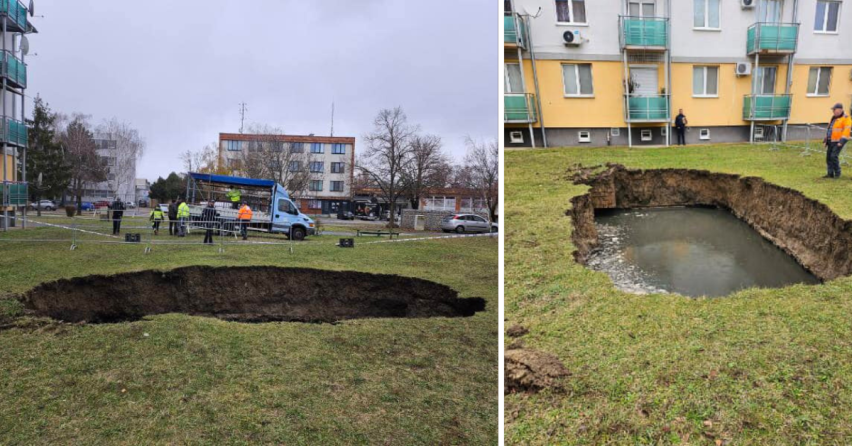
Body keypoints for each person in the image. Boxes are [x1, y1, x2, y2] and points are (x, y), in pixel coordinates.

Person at [824, 103, 852, 179]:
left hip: (839, 141)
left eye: (834, 109)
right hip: (831, 140)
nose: (833, 111)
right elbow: (830, 129)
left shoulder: (846, 118)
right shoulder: (834, 118)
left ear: (840, 110)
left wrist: (841, 142)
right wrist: (826, 140)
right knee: (829, 157)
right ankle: (830, 174)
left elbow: (847, 130)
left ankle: (837, 173)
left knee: (833, 156)